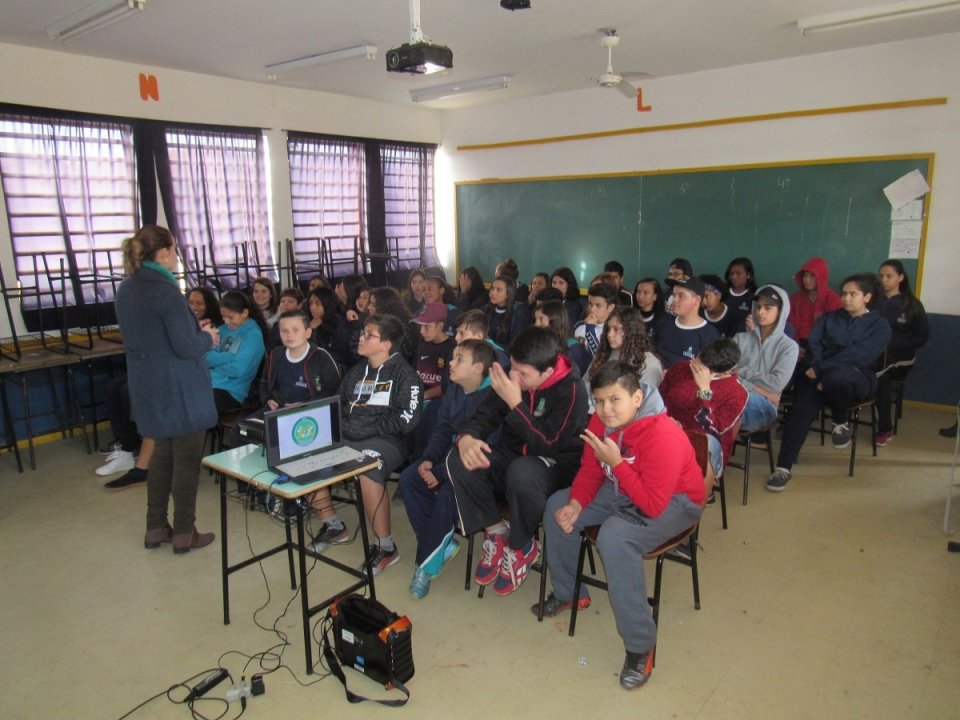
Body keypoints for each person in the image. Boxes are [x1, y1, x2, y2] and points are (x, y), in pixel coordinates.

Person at [539, 362, 704, 690]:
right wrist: (576, 504)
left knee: (615, 538)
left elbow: (653, 504)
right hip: (623, 486)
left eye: (615, 400)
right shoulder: (599, 421)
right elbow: (590, 470)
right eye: (599, 401)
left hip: (675, 501)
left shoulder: (662, 434)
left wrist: (616, 463)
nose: (605, 410)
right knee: (557, 505)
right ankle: (569, 592)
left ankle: (641, 645)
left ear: (638, 397)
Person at [447, 327, 589, 597]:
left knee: (522, 471)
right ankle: (496, 530)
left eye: (523, 373)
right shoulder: (515, 378)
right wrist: (466, 437)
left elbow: (548, 444)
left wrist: (515, 403)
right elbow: (483, 416)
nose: (513, 376)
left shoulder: (572, 390)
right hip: (514, 459)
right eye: (512, 367)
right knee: (460, 458)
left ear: (546, 373)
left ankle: (521, 544)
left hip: (557, 466)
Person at [115, 225, 219, 553]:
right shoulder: (165, 291)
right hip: (179, 390)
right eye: (174, 250)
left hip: (148, 386)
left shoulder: (127, 289)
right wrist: (208, 337)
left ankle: (155, 527)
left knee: (160, 456)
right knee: (186, 461)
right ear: (163, 252)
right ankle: (185, 531)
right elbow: (187, 347)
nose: (176, 257)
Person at [767, 274, 891, 492]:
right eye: (843, 293)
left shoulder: (879, 325)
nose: (846, 298)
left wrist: (822, 369)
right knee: (800, 411)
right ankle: (783, 468)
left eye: (853, 294)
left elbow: (859, 355)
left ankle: (840, 421)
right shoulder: (828, 318)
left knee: (838, 377)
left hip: (857, 378)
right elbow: (814, 344)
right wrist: (816, 368)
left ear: (867, 297)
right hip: (818, 375)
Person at [100, 286, 224, 492]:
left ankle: (144, 465)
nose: (194, 307)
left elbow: (209, 356)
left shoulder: (214, 328)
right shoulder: (187, 324)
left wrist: (202, 341)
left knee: (154, 404)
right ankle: (129, 448)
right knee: (117, 388)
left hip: (203, 383)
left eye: (199, 303)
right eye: (190, 302)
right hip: (181, 373)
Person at [399, 340, 497, 599]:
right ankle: (439, 544)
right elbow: (442, 428)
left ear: (478, 368)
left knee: (446, 494)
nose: (450, 364)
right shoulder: (455, 389)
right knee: (410, 478)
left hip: (477, 468)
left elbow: (482, 450)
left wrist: (441, 473)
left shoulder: (493, 398)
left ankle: (425, 566)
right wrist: (430, 460)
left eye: (458, 359)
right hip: (447, 458)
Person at [340, 314, 423, 573]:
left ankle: (386, 547)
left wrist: (367, 428)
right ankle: (331, 524)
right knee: (310, 452)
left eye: (368, 334)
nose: (361, 338)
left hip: (389, 440)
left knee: (368, 466)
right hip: (352, 433)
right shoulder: (356, 371)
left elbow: (406, 419)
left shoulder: (405, 375)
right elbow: (340, 403)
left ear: (386, 344)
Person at [659, 338, 748, 479]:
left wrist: (705, 390)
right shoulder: (681, 368)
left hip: (702, 445)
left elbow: (714, 429)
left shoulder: (737, 393)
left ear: (720, 371)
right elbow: (659, 398)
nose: (694, 367)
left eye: (702, 367)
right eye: (698, 360)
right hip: (666, 432)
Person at [875, 260, 929, 446]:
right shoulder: (873, 301)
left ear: (900, 277)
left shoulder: (911, 304)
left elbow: (922, 336)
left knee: (881, 373)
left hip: (902, 358)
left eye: (889, 276)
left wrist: (899, 344)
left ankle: (884, 428)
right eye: (881, 276)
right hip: (875, 355)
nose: (884, 279)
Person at [732, 285, 799, 432]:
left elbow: (775, 384)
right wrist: (758, 388)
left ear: (780, 312)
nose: (761, 312)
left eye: (768, 308)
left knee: (736, 402)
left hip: (765, 405)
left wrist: (741, 371)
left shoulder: (789, 347)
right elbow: (725, 374)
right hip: (735, 397)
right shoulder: (740, 338)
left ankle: (716, 450)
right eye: (758, 307)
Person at [206, 290, 268, 414]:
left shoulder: (253, 335)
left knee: (193, 406)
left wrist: (214, 363)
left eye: (230, 317)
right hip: (209, 383)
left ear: (244, 313)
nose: (226, 321)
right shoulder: (222, 330)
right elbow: (206, 357)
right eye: (223, 316)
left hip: (232, 391)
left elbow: (238, 370)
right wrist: (229, 356)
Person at [585, 307, 663, 404]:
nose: (610, 334)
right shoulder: (604, 354)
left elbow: (643, 405)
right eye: (608, 329)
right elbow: (586, 385)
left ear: (631, 330)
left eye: (616, 329)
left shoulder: (650, 365)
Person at [654, 276, 720, 368]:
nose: (674, 300)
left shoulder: (709, 335)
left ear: (696, 300)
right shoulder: (663, 323)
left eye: (681, 296)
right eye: (674, 295)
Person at [787, 257, 841, 352]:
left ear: (821, 276)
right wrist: (795, 347)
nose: (807, 280)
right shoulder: (795, 299)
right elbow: (791, 325)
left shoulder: (832, 300)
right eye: (805, 276)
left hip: (822, 348)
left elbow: (832, 330)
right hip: (796, 345)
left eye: (812, 276)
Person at [413, 302, 456, 401]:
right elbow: (413, 373)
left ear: (440, 325)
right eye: (421, 326)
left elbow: (447, 385)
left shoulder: (452, 349)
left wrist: (420, 397)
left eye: (427, 326)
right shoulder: (422, 344)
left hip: (438, 402)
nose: (421, 331)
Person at [306, 286, 352, 368]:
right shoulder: (310, 322)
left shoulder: (339, 322)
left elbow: (340, 354)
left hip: (337, 367)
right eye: (311, 303)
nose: (313, 307)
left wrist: (313, 331)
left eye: (318, 303)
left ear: (327, 303)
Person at [483, 274, 532, 347]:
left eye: (498, 290)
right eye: (492, 288)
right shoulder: (486, 309)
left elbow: (517, 343)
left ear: (508, 293)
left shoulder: (519, 311)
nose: (493, 293)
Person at [573, 282, 618, 358]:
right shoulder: (580, 326)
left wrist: (590, 329)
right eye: (590, 304)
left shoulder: (615, 332)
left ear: (611, 307)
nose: (592, 309)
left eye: (598, 305)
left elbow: (600, 360)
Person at [724, 257, 758, 332]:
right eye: (731, 274)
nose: (734, 276)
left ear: (748, 275)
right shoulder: (722, 294)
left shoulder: (755, 296)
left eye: (738, 273)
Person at [265, 287, 305, 353]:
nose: (285, 304)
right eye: (282, 301)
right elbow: (270, 348)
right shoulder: (276, 325)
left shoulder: (303, 324)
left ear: (299, 305)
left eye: (290, 301)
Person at [634, 277, 666, 343]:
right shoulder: (631, 315)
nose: (640, 296)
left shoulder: (663, 320)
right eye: (638, 292)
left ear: (655, 296)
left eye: (645, 293)